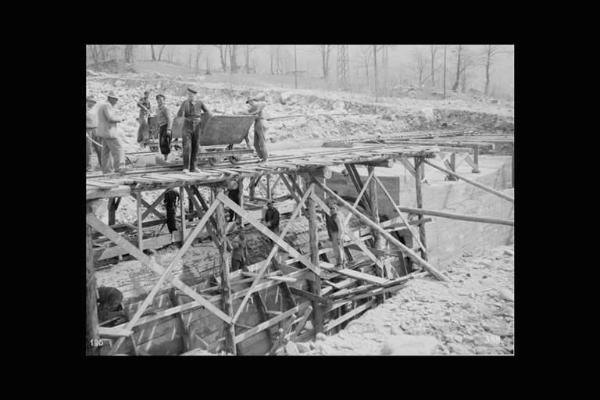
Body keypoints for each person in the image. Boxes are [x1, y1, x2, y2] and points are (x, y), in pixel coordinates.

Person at [177, 87, 210, 172]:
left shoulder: (200, 103)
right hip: (187, 125)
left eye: (192, 95)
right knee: (187, 146)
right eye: (189, 95)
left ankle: (194, 167)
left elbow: (208, 113)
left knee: (196, 146)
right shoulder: (185, 103)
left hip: (197, 125)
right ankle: (185, 168)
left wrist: (204, 122)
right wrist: (182, 108)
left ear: (195, 95)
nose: (190, 96)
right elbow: (179, 114)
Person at [96, 92, 127, 174]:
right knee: (119, 149)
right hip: (109, 132)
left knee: (105, 152)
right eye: (115, 99)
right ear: (110, 98)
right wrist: (121, 118)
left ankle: (106, 170)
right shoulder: (107, 105)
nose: (116, 101)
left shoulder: (102, 105)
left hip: (104, 132)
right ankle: (119, 168)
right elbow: (110, 118)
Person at [323, 199, 346, 269]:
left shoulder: (336, 216)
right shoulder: (335, 216)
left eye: (333, 208)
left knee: (338, 250)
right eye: (330, 208)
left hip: (337, 234)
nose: (331, 210)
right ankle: (342, 263)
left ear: (336, 208)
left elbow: (341, 228)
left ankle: (340, 264)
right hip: (335, 234)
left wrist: (339, 237)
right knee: (339, 249)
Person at [246, 94, 269, 162]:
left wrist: (251, 113)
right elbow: (246, 112)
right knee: (255, 143)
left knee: (261, 142)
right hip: (256, 124)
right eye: (248, 102)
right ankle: (261, 157)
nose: (249, 103)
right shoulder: (252, 108)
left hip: (261, 122)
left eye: (249, 101)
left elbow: (263, 105)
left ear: (252, 100)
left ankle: (265, 158)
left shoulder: (258, 105)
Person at [86, 95, 101, 172]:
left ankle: (102, 165)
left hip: (96, 129)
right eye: (91, 101)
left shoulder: (95, 109)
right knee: (88, 150)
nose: (92, 103)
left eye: (94, 102)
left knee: (99, 148)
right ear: (87, 101)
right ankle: (88, 167)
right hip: (87, 130)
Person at [155, 94, 172, 161]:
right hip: (161, 127)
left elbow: (169, 119)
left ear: (164, 101)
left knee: (165, 142)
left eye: (161, 100)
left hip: (166, 126)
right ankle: (165, 158)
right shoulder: (157, 109)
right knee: (161, 143)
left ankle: (166, 158)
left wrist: (169, 129)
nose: (160, 101)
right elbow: (158, 119)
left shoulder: (165, 108)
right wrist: (157, 129)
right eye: (158, 100)